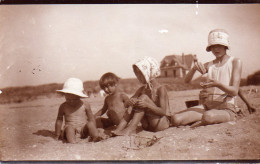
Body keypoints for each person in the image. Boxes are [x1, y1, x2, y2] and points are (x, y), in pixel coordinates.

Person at [172, 29, 249, 127]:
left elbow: (234, 91)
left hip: (227, 108)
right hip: (207, 106)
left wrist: (218, 84)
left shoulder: (235, 62)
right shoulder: (209, 65)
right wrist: (194, 68)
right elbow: (186, 81)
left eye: (219, 46)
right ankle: (200, 119)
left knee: (208, 116)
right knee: (176, 119)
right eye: (213, 46)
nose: (216, 49)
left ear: (225, 46)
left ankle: (232, 114)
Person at [112, 56, 171, 136]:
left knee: (143, 98)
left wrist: (147, 105)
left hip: (160, 124)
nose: (137, 77)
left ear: (148, 73)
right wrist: (130, 102)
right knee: (134, 102)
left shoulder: (161, 89)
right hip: (147, 125)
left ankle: (131, 129)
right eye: (136, 74)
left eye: (140, 74)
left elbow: (163, 112)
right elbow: (126, 105)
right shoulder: (142, 89)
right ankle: (119, 129)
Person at [55, 78, 106, 143]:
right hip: (70, 129)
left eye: (74, 99)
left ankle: (96, 137)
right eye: (68, 99)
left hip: (83, 129)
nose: (71, 101)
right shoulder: (63, 106)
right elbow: (59, 120)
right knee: (69, 128)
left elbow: (91, 118)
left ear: (79, 96)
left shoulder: (85, 104)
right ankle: (72, 142)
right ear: (64, 95)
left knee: (90, 124)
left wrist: (93, 129)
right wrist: (57, 134)